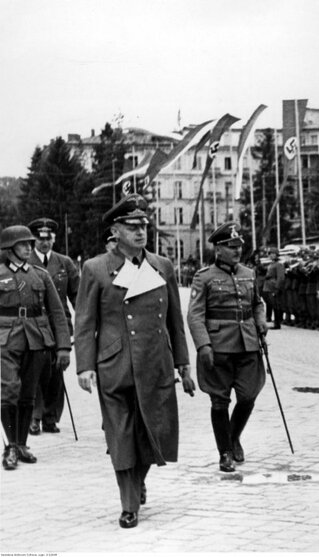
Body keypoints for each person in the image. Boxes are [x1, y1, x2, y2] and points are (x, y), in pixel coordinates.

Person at [74, 194, 195, 529]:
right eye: (132, 226)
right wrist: (84, 366)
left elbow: (175, 320)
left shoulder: (162, 266)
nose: (141, 232)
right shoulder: (96, 269)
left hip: (156, 363)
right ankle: (129, 505)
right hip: (116, 366)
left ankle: (138, 480)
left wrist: (184, 364)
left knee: (152, 432)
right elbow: (84, 322)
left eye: (144, 225)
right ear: (116, 230)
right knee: (122, 436)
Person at [187, 222, 268, 473]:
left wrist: (261, 319)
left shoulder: (248, 273)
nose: (237, 251)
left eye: (239, 246)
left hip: (248, 344)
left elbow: (257, 302)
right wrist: (203, 345)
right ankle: (224, 452)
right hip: (218, 347)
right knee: (219, 401)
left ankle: (234, 436)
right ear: (218, 249)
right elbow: (194, 315)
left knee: (248, 395)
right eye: (231, 247)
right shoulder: (204, 277)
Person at [1, 225, 71, 470]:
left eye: (30, 244)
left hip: (37, 339)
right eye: (23, 244)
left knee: (28, 393)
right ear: (9, 248)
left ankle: (22, 444)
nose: (28, 248)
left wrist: (63, 347)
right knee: (9, 389)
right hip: (6, 339)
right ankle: (10, 445)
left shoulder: (40, 275)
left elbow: (57, 312)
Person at [26, 217, 79, 436]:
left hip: (60, 325)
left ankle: (51, 417)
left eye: (48, 239)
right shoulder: (26, 262)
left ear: (53, 239)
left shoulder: (64, 263)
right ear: (33, 240)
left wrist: (85, 322)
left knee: (57, 371)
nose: (45, 243)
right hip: (34, 326)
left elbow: (77, 295)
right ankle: (34, 417)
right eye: (40, 239)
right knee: (35, 370)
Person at [262, 248, 285, 330]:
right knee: (272, 304)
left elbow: (280, 277)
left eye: (273, 253)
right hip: (268, 286)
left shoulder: (279, 264)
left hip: (273, 286)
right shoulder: (271, 264)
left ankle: (277, 323)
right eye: (270, 253)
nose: (271, 255)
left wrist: (277, 288)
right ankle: (276, 322)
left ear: (276, 255)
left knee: (276, 305)